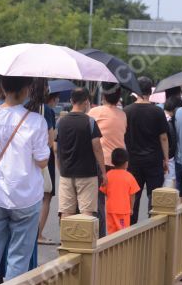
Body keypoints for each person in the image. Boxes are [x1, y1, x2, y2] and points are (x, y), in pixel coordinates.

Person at [0, 76, 50, 285]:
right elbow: (42, 160)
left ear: (3, 88)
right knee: (19, 257)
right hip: (26, 197)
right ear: (27, 89)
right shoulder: (37, 121)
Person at [124, 77, 169, 223]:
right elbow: (163, 138)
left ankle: (131, 228)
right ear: (151, 91)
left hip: (132, 161)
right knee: (154, 196)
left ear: (136, 91)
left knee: (132, 196)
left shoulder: (127, 111)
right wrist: (166, 159)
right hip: (153, 160)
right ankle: (153, 225)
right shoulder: (157, 112)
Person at [56, 87, 106, 219]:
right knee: (87, 212)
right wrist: (104, 172)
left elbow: (56, 148)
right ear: (86, 102)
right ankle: (84, 240)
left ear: (71, 100)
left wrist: (60, 168)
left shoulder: (61, 122)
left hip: (66, 173)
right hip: (87, 174)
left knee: (66, 211)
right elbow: (97, 148)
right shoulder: (90, 121)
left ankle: (66, 239)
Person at [88, 83, 127, 237]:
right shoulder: (123, 115)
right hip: (118, 164)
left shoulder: (94, 112)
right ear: (119, 98)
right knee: (116, 203)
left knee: (98, 203)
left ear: (103, 96)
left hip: (100, 162)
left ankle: (100, 236)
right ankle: (116, 234)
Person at [25, 79, 57, 245]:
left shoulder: (24, 107)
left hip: (24, 157)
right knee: (46, 196)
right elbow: (50, 141)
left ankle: (29, 232)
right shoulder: (47, 111)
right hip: (43, 158)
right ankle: (38, 234)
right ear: (45, 89)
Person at [99, 148, 140, 234]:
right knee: (123, 233)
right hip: (123, 211)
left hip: (110, 210)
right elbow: (133, 195)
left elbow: (104, 191)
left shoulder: (108, 175)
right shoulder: (129, 176)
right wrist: (131, 208)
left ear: (112, 161)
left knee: (111, 233)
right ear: (126, 163)